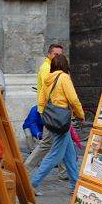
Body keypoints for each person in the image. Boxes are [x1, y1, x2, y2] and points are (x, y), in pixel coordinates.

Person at [31, 54, 84, 195]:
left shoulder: (48, 79)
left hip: (52, 119)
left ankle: (75, 186)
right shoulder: (64, 78)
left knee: (70, 155)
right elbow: (73, 99)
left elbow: (41, 101)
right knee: (55, 155)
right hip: (62, 120)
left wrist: (45, 116)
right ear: (64, 65)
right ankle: (32, 184)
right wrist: (81, 115)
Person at [24, 44, 68, 189]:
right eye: (55, 54)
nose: (58, 57)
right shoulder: (47, 68)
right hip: (53, 112)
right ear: (49, 54)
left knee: (63, 143)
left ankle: (65, 172)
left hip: (54, 111)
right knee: (48, 143)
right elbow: (47, 90)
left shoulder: (53, 68)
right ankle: (27, 171)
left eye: (60, 54)